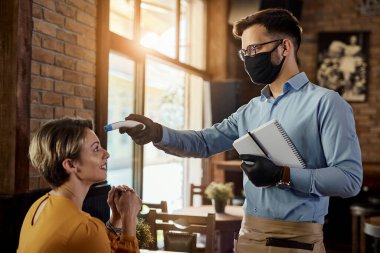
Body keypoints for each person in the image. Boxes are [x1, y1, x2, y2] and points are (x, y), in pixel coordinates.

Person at [120, 8, 362, 253]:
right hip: (247, 238)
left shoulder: (327, 103)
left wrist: (284, 175)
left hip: (297, 241)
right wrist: (157, 132)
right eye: (244, 52)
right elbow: (204, 142)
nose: (248, 59)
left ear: (284, 48)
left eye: (254, 49)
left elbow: (350, 180)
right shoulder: (249, 111)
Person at [17, 118, 142, 253]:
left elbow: (93, 246)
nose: (106, 154)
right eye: (96, 148)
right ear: (71, 165)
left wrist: (117, 218)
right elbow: (87, 238)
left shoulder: (38, 206)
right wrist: (129, 217)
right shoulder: (83, 229)